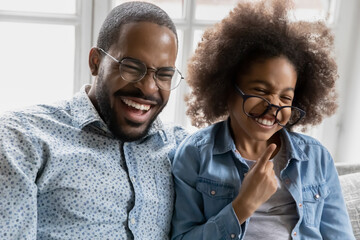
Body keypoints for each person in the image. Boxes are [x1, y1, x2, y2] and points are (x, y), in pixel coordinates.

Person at [0, 2, 187, 239]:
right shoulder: (22, 138)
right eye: (131, 67)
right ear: (95, 62)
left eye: (164, 75)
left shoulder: (183, 149)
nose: (148, 88)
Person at [171, 0, 355, 239]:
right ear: (227, 89)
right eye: (260, 91)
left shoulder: (316, 159)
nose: (274, 107)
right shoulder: (195, 155)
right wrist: (242, 207)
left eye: (285, 97)